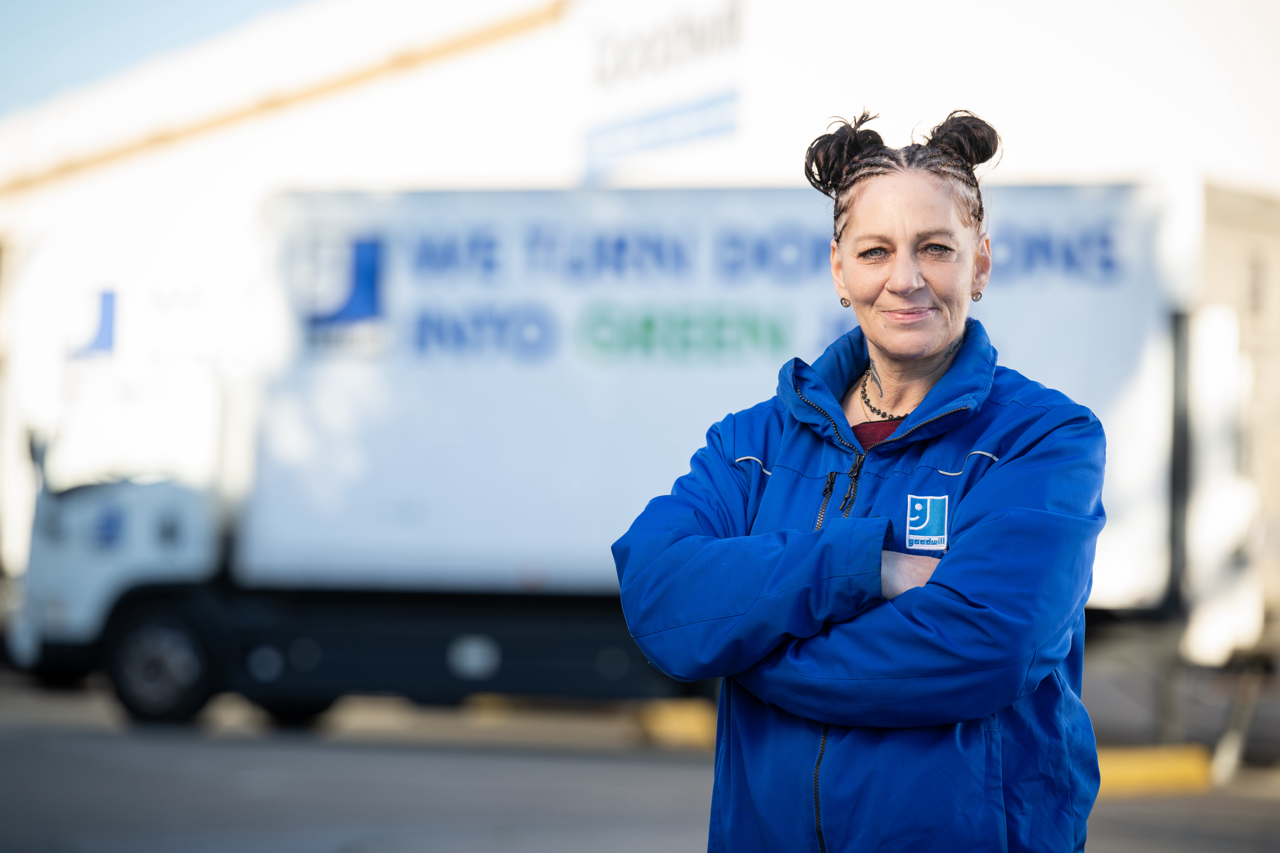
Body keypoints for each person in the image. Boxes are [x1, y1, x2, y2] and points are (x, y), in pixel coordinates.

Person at [612, 110, 1105, 852]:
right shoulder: (756, 441)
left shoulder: (1041, 440)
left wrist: (749, 649)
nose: (905, 279)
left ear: (980, 263)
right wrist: (858, 567)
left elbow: (984, 647)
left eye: (935, 248)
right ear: (840, 271)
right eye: (876, 251)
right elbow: (658, 593)